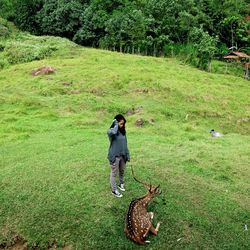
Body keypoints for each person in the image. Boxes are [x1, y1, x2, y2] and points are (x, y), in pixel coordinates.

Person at [107, 114, 130, 198]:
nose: (122, 125)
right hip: (115, 156)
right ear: (116, 122)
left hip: (123, 156)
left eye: (123, 124)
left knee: (122, 171)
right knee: (114, 173)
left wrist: (127, 154)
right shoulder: (110, 131)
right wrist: (115, 124)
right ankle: (114, 190)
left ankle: (121, 183)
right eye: (120, 123)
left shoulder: (123, 132)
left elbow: (125, 144)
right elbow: (113, 132)